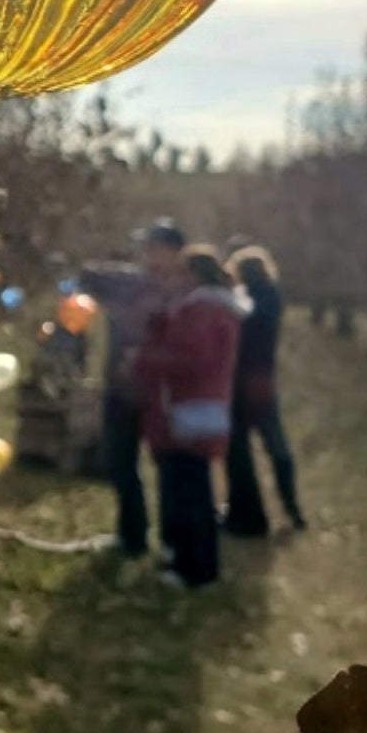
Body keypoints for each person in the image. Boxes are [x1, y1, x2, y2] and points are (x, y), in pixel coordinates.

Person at [133, 246, 247, 588]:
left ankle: (195, 569)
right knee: (187, 486)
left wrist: (146, 359)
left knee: (189, 491)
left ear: (195, 275)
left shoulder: (201, 310)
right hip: (203, 406)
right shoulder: (215, 308)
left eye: (181, 273)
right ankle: (186, 556)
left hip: (188, 407)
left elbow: (190, 358)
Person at [80, 219, 187, 558]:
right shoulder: (128, 281)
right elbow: (87, 275)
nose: (148, 255)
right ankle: (132, 537)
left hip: (162, 394)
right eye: (146, 249)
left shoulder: (186, 291)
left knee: (171, 471)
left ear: (174, 254)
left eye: (155, 249)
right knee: (120, 463)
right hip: (121, 390)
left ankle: (173, 543)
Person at [222, 246, 306, 535]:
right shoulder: (272, 298)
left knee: (238, 449)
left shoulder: (241, 301)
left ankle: (242, 509)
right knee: (276, 446)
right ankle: (292, 508)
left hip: (238, 379)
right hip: (263, 379)